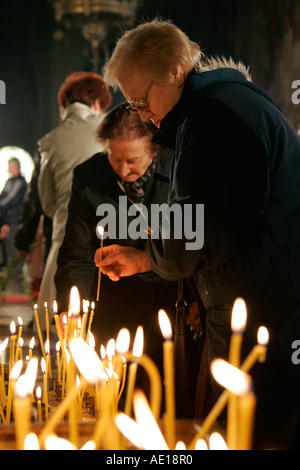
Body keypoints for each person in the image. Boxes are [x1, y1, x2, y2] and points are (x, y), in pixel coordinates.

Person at [96, 19, 300, 449]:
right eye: (131, 104)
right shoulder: (220, 105)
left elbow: (205, 229)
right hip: (259, 302)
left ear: (173, 69)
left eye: (140, 98)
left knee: (246, 432)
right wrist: (146, 256)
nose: (140, 113)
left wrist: (154, 255)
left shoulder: (215, 117)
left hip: (264, 312)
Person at [54, 104, 200, 412]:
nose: (122, 169)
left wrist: (197, 298)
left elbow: (194, 245)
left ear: (154, 150)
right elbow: (76, 254)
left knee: (169, 402)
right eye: (115, 158)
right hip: (113, 307)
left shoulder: (180, 173)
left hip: (168, 304)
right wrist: (73, 306)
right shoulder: (89, 177)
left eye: (132, 160)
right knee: (116, 402)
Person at [36, 71, 112, 333]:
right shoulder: (110, 127)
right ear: (99, 102)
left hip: (64, 239)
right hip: (108, 237)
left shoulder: (51, 141)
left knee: (61, 326)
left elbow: (46, 202)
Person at [0, 157, 27, 278]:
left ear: (15, 167)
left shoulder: (20, 183)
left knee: (13, 248)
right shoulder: (10, 182)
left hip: (15, 220)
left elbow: (10, 199)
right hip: (7, 221)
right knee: (8, 247)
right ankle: (12, 274)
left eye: (10, 166)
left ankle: (16, 276)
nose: (8, 169)